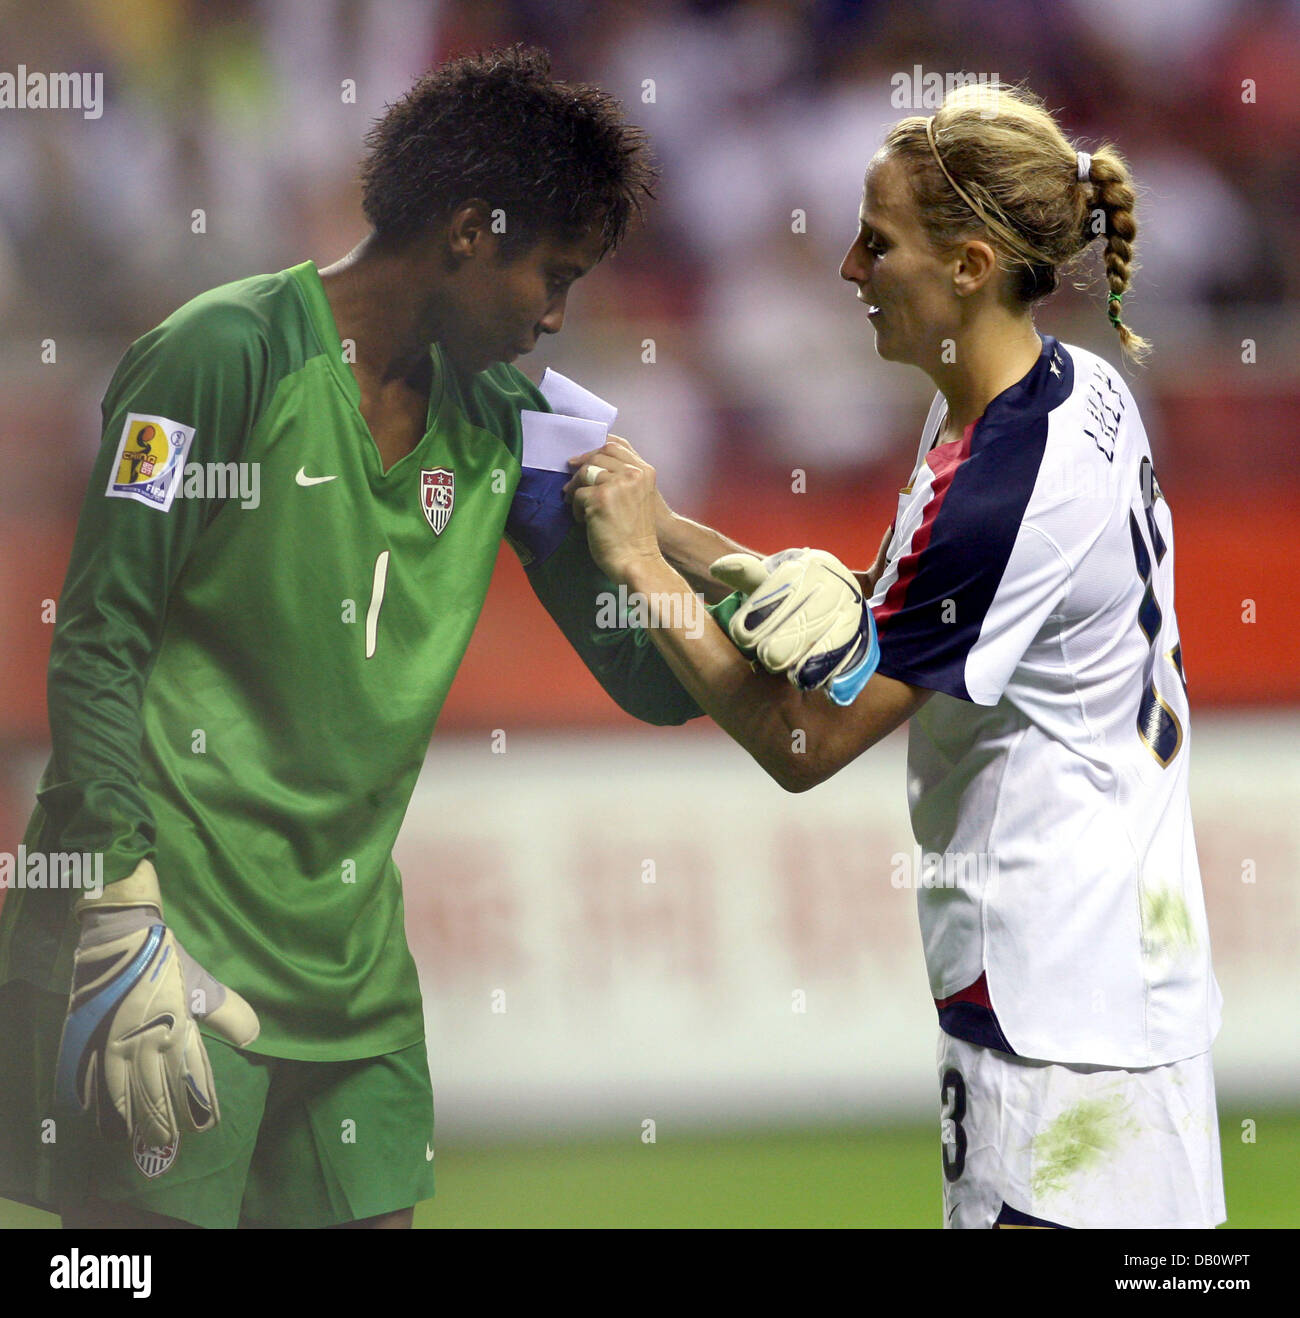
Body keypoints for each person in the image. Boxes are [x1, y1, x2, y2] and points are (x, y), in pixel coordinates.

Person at [0, 45, 834, 1232]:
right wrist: (116, 896)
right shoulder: (217, 356)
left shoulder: (509, 423)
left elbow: (649, 681)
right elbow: (94, 637)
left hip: (351, 986)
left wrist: (750, 602)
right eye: (552, 275)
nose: (555, 317)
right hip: (162, 946)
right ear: (466, 232)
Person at [569, 81, 1224, 1230]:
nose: (847, 270)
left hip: (1048, 1024)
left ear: (967, 266)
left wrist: (639, 570)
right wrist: (668, 522)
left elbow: (806, 738)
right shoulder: (1073, 395)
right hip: (1139, 995)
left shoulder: (994, 482)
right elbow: (882, 615)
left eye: (876, 243)